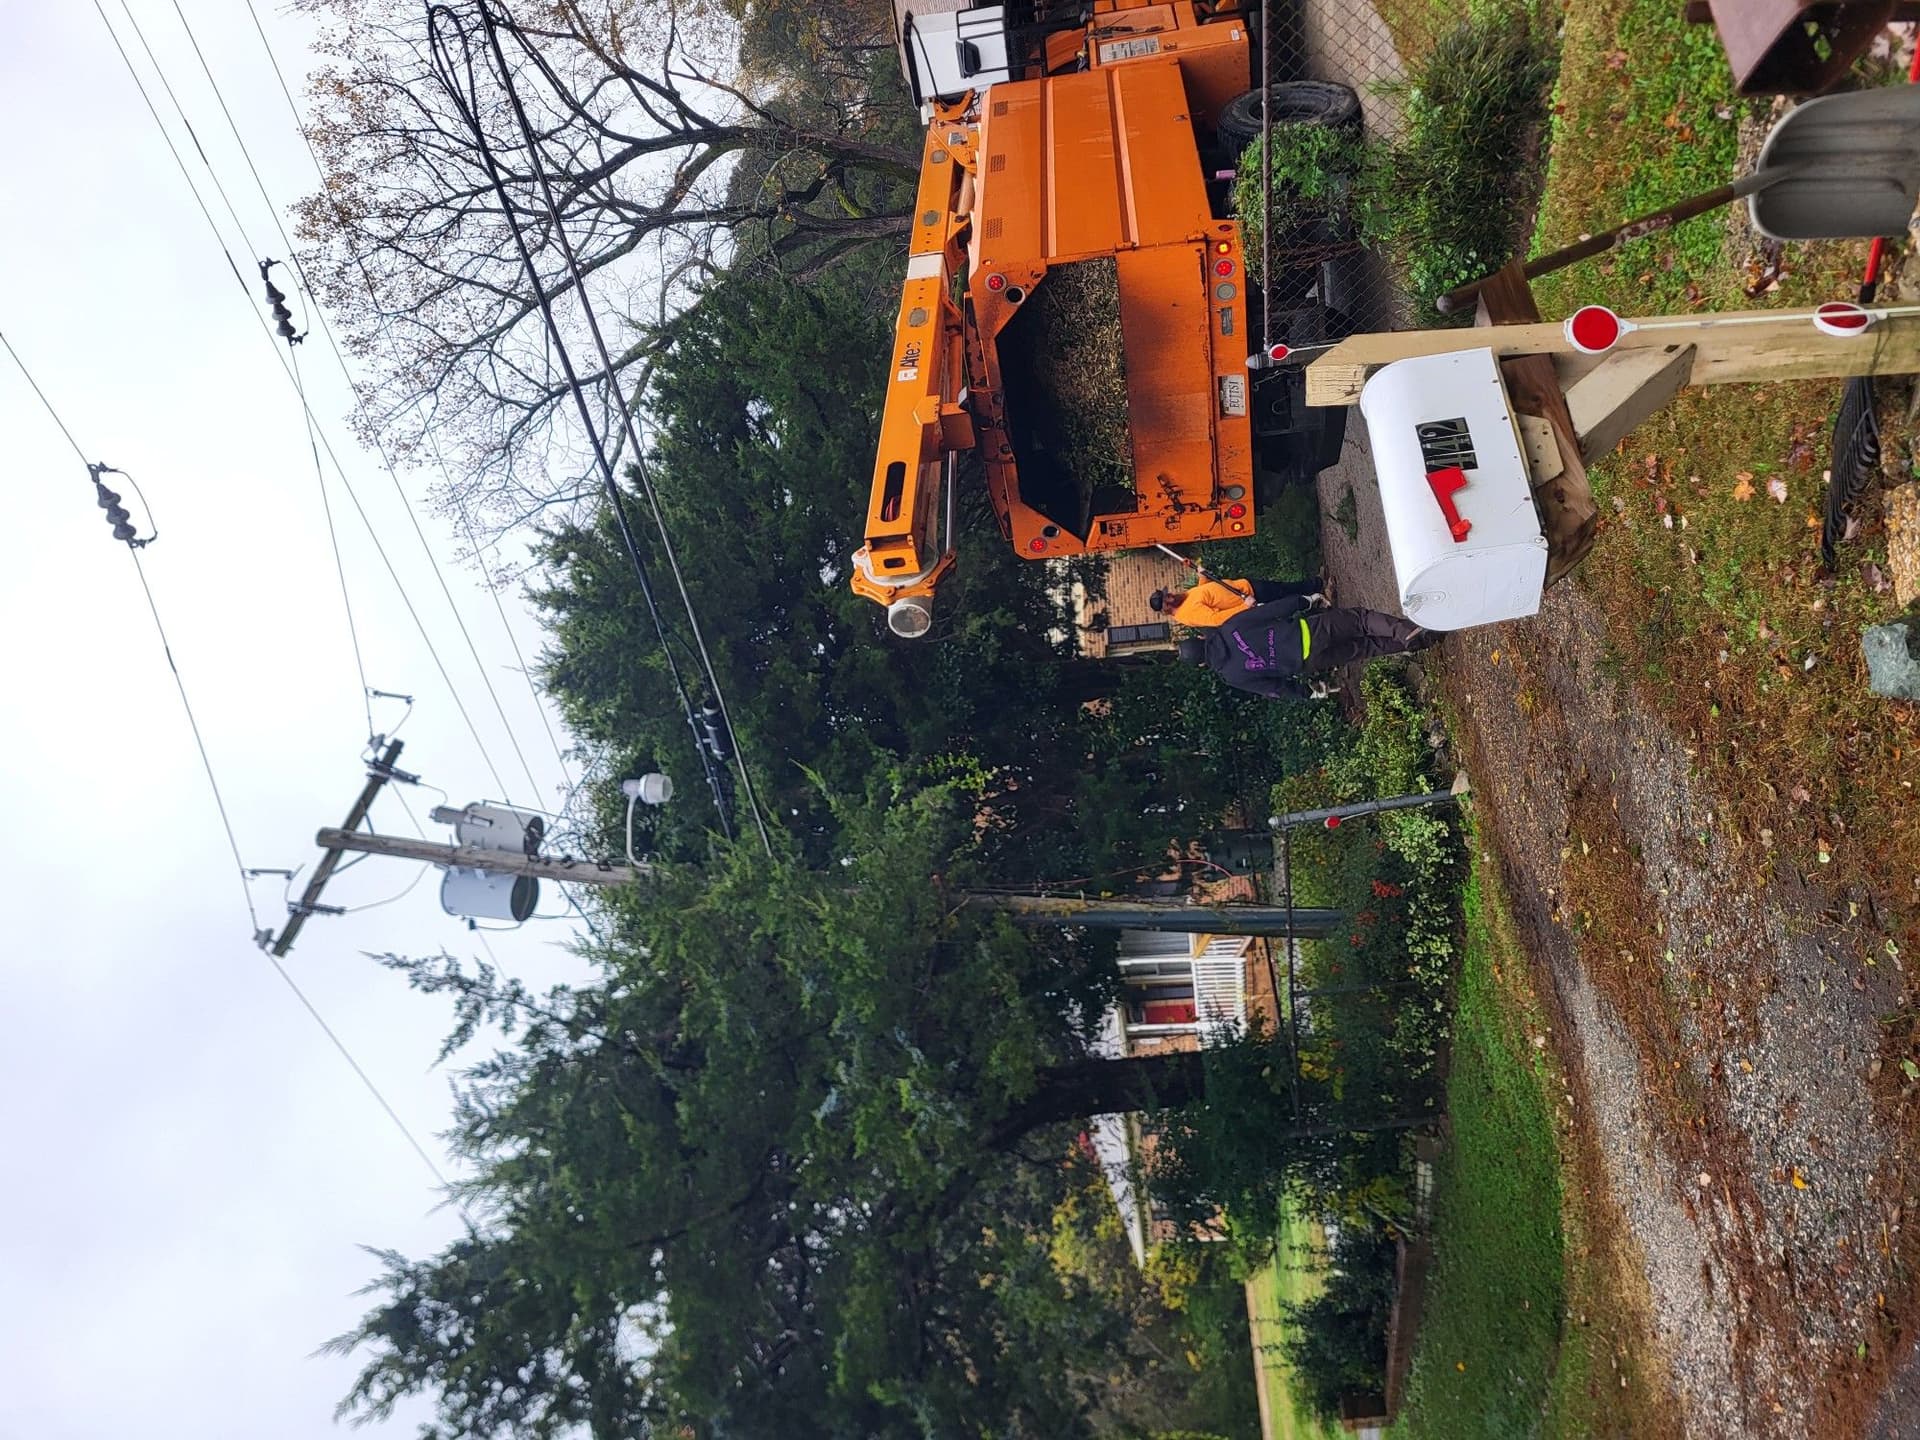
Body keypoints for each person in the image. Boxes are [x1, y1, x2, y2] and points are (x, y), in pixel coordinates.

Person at [1176, 594, 1441, 700]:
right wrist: (1302, 601)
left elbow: (1272, 688)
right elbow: (1268, 612)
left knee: (1365, 648)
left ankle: (1416, 642)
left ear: (1202, 664)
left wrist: (1307, 692)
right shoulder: (1229, 629)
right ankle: (1409, 633)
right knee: (1359, 620)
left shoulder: (1232, 676)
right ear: (1201, 639)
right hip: (1307, 631)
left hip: (1309, 662)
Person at [1149, 573, 1328, 628]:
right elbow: (1216, 619)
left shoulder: (1182, 598)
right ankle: (1315, 587)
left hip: (1243, 587)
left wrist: (1201, 576)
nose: (1171, 595)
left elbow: (1203, 592)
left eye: (1168, 593)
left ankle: (1314, 589)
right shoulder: (1187, 614)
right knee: (1282, 594)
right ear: (1166, 607)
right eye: (1168, 598)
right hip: (1248, 598)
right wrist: (1244, 606)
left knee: (1281, 588)